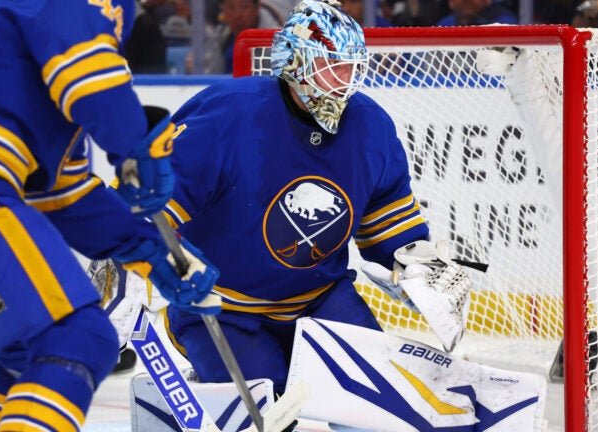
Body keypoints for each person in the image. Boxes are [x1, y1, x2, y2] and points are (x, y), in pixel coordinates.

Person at [157, 0, 478, 401]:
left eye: (350, 68)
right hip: (223, 307)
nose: (343, 80)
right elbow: (153, 208)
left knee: (380, 405)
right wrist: (137, 258)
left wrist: (416, 267)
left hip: (319, 300)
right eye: (330, 66)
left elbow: (389, 225)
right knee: (266, 409)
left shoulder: (370, 127)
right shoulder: (227, 116)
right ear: (293, 62)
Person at [0, 0, 219, 430]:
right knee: (74, 339)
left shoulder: (9, 71)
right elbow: (91, 72)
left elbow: (64, 194)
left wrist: (152, 250)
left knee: (24, 347)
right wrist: (137, 144)